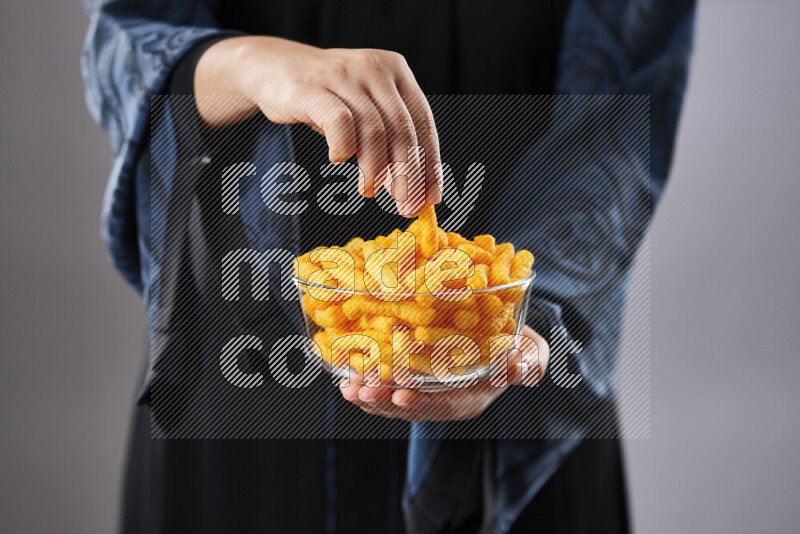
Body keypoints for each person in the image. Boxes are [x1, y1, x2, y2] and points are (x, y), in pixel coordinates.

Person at [82, 1, 695, 532]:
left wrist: (526, 318)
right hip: (237, 416)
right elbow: (127, 34)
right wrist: (247, 63)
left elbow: (616, 120)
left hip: (513, 411)